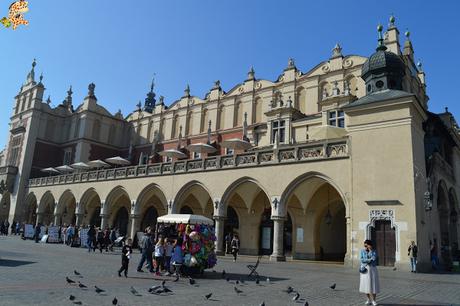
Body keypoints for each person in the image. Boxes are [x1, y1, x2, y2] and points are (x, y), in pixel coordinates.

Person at [359, 239, 380, 306]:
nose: (366, 246)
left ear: (370, 245)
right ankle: (368, 299)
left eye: (367, 245)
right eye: (365, 245)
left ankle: (374, 300)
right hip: (365, 269)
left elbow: (374, 259)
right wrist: (368, 259)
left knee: (373, 284)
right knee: (366, 285)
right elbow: (362, 259)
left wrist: (370, 251)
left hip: (373, 269)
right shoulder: (362, 251)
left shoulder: (374, 251)